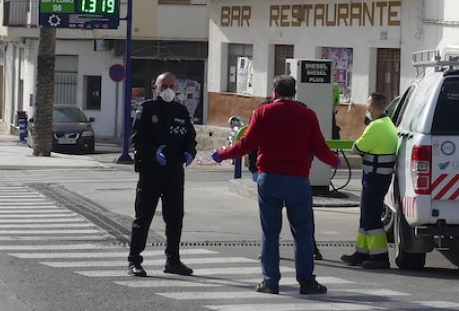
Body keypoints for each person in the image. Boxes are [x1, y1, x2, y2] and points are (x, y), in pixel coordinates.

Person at [213, 74, 340, 295]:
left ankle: (270, 282)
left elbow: (246, 144)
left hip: (269, 178)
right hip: (298, 180)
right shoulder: (308, 115)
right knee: (302, 232)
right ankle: (307, 282)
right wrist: (335, 160)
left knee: (270, 233)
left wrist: (221, 155)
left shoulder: (262, 112)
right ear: (294, 92)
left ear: (275, 92)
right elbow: (320, 148)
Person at [236, 98, 324, 261]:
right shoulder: (301, 110)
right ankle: (310, 252)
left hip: (272, 174)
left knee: (270, 220)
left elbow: (251, 142)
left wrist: (255, 169)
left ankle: (270, 253)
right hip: (295, 173)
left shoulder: (263, 110)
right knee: (302, 219)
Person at [127, 72, 197, 277]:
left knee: (175, 218)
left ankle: (173, 260)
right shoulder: (147, 109)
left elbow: (190, 137)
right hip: (151, 171)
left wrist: (189, 152)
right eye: (163, 86)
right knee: (143, 217)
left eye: (172, 87)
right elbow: (137, 138)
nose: (168, 90)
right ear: (156, 87)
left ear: (177, 89)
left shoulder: (181, 110)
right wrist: (152, 153)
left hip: (174, 172)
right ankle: (134, 261)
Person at [340, 92, 398, 269]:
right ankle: (361, 252)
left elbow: (357, 147)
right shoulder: (388, 123)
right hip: (380, 176)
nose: (366, 108)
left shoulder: (376, 126)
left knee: (371, 216)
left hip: (374, 177)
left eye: (367, 106)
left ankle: (380, 257)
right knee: (366, 214)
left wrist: (358, 145)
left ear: (373, 107)